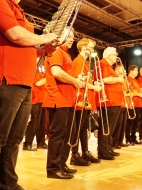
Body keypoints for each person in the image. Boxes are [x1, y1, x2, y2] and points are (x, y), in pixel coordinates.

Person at [0, 0, 57, 190]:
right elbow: (15, 35)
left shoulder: (19, 11)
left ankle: (9, 184)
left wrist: (42, 49)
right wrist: (45, 36)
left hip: (23, 82)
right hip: (5, 79)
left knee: (15, 138)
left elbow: (24, 46)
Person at [43, 28, 85, 179]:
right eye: (69, 35)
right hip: (58, 99)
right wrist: (75, 81)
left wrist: (76, 79)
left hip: (66, 100)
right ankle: (53, 169)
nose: (72, 38)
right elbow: (56, 72)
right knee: (58, 135)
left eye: (73, 36)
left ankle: (61, 164)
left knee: (65, 135)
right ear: (59, 36)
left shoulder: (65, 53)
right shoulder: (56, 51)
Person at [69, 38, 101, 166]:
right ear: (83, 47)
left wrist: (93, 83)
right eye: (90, 47)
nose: (92, 49)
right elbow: (78, 81)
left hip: (85, 100)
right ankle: (75, 154)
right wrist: (94, 87)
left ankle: (85, 152)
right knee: (77, 129)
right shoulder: (78, 61)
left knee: (83, 128)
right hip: (80, 99)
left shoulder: (85, 63)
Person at [94, 47, 124, 160]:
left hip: (114, 100)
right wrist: (118, 79)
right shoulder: (101, 64)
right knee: (106, 126)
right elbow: (103, 79)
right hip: (108, 100)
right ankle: (103, 151)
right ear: (108, 55)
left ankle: (108, 148)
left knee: (110, 127)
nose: (116, 57)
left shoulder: (109, 66)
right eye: (114, 55)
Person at [23, 65, 48, 151]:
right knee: (34, 121)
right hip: (35, 98)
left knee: (41, 122)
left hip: (42, 98)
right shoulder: (33, 68)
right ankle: (27, 143)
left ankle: (41, 142)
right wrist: (50, 77)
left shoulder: (41, 67)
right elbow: (38, 83)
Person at [125, 65, 142, 145]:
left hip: (138, 104)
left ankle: (133, 138)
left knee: (135, 123)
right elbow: (129, 92)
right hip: (131, 104)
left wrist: (141, 93)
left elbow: (138, 90)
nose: (137, 72)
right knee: (130, 122)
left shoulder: (135, 81)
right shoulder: (127, 79)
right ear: (130, 71)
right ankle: (128, 139)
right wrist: (138, 94)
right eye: (136, 70)